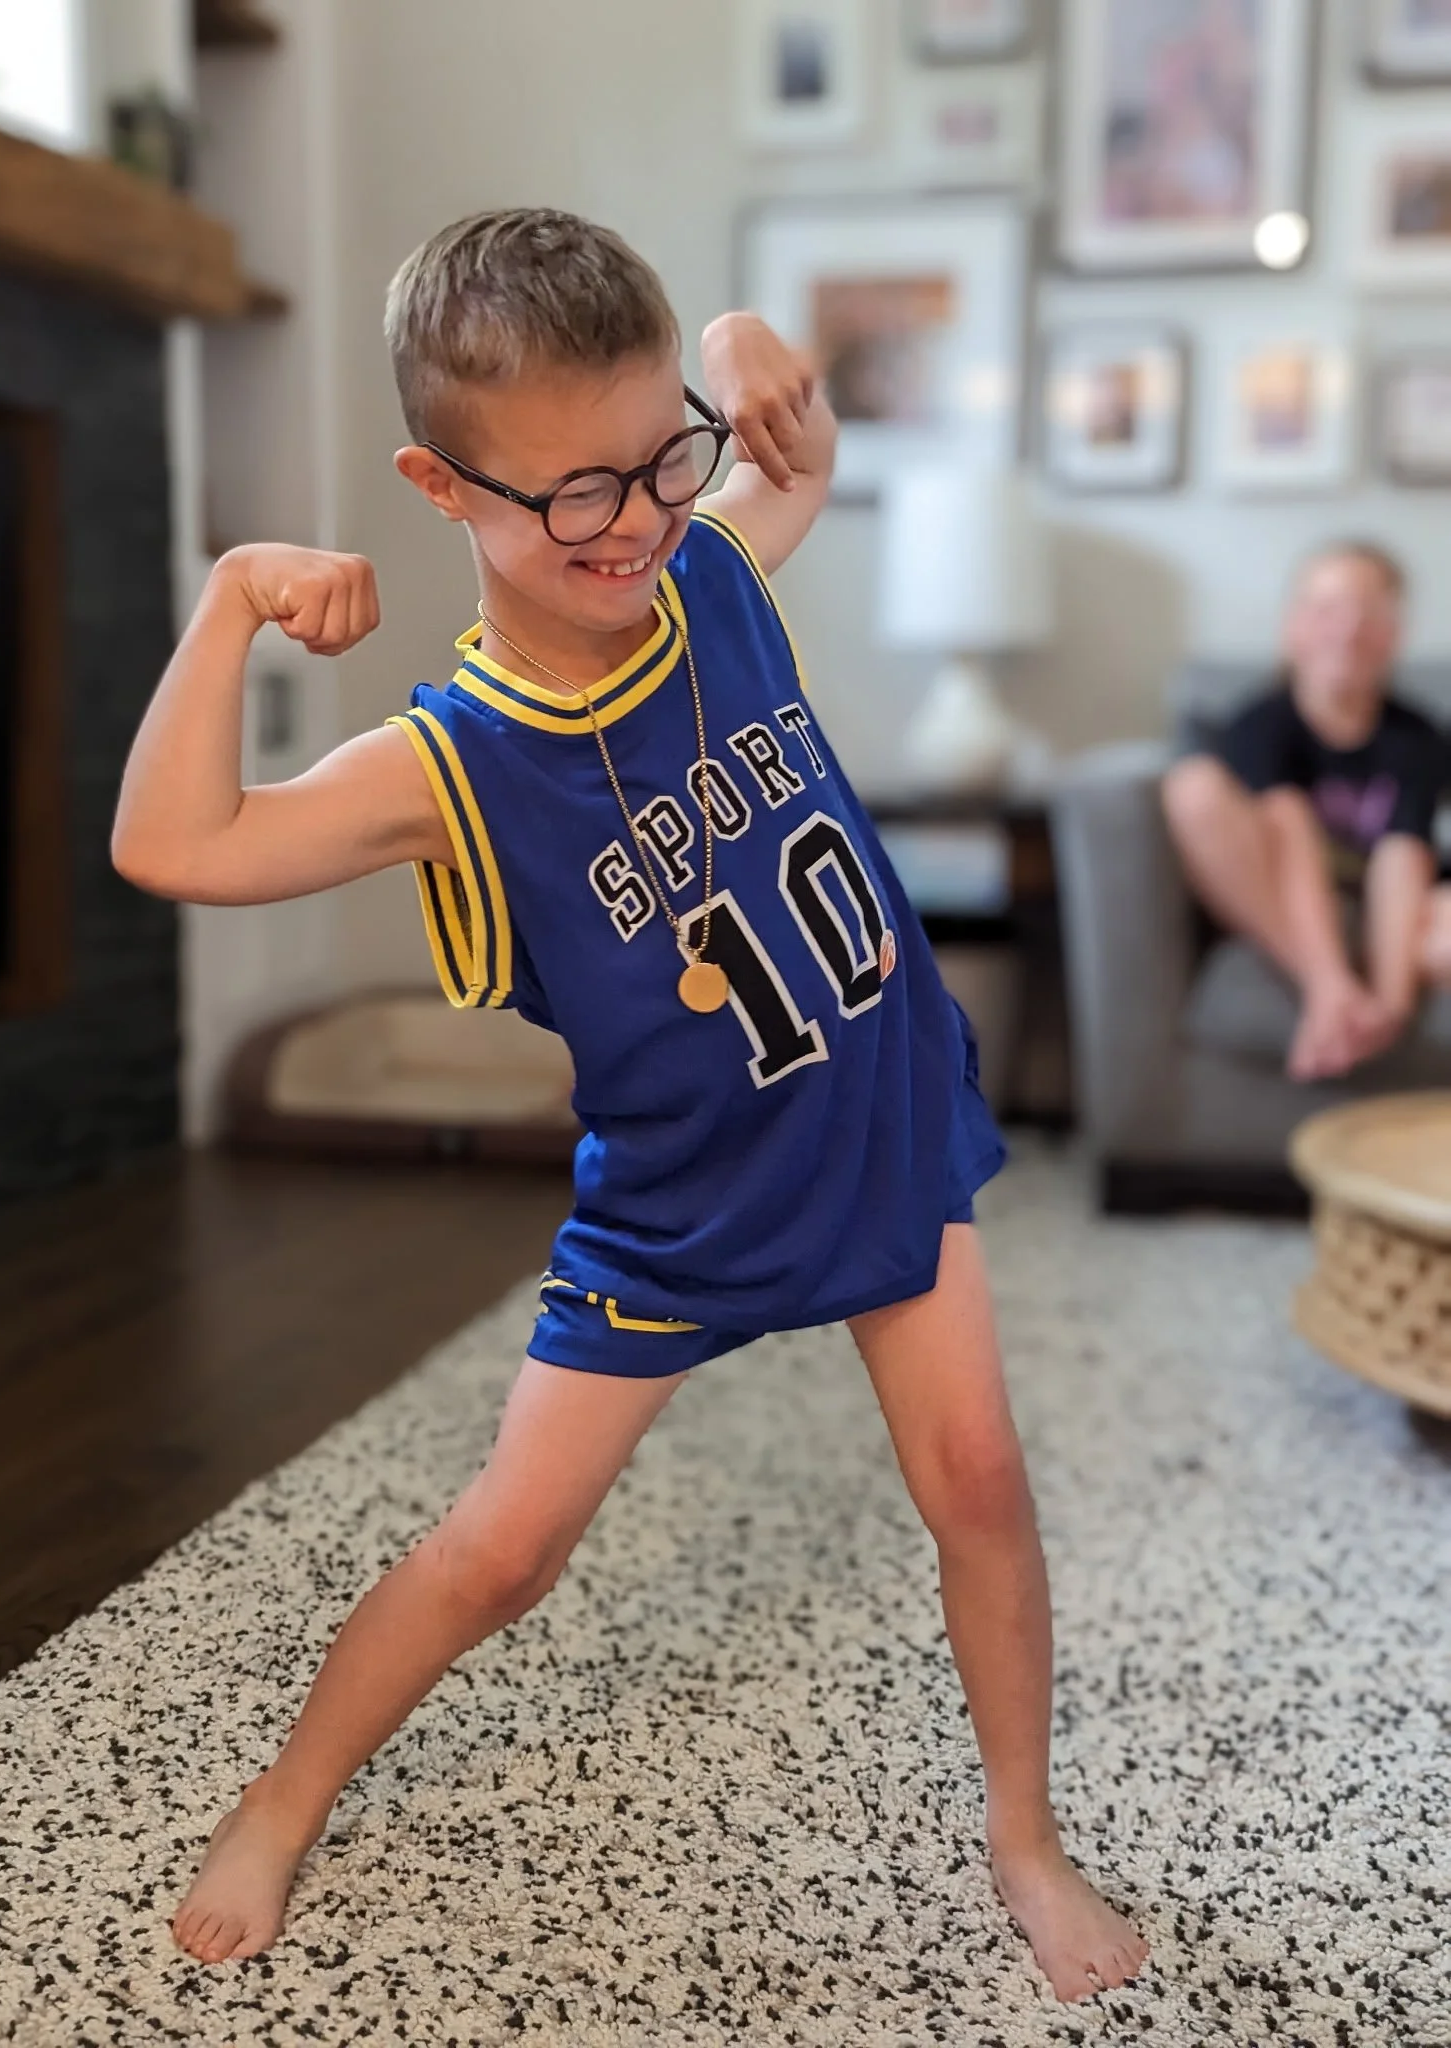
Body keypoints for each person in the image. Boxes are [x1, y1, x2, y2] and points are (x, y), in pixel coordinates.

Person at [114, 209, 1148, 2003]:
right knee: (503, 1551)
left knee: (977, 1478)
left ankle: (1022, 1832)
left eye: (659, 457)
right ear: (442, 489)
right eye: (571, 493)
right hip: (677, 1202)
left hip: (880, 1124)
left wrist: (743, 340)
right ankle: (284, 1794)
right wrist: (226, 604)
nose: (637, 522)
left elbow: (786, 445)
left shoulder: (716, 576)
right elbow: (170, 843)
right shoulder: (442, 765)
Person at [1163, 541, 1451, 1082]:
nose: (1346, 630)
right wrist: (1329, 984)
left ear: (1394, 634)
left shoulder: (1419, 738)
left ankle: (1361, 1019)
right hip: (1291, 902)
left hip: (1395, 912)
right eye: (1326, 610)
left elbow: (1402, 856)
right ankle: (1331, 989)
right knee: (1193, 785)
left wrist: (1389, 1006)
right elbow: (1287, 835)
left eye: (1367, 613)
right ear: (1292, 627)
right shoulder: (1261, 724)